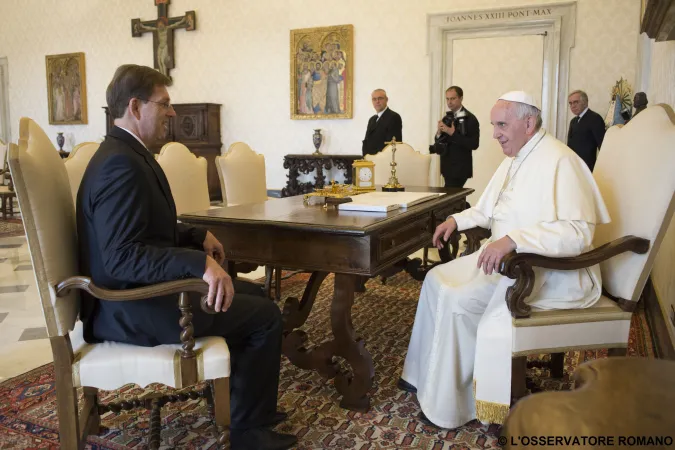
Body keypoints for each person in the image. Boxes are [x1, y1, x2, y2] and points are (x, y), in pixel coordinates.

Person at [77, 64, 297, 450]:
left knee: (258, 298)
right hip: (128, 308)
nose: (172, 113)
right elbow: (122, 257)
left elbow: (147, 228)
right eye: (164, 104)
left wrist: (196, 236)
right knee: (264, 317)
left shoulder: (127, 154)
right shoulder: (119, 164)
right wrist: (198, 264)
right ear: (135, 106)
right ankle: (248, 433)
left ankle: (246, 408)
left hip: (144, 294)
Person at [399, 91, 610, 430]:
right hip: (505, 260)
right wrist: (457, 221)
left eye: (501, 125)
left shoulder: (561, 160)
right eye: (493, 125)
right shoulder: (513, 157)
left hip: (547, 272)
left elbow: (578, 233)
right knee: (436, 279)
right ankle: (423, 376)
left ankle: (459, 402)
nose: (495, 133)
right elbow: (486, 209)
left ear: (528, 123)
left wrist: (514, 240)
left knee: (458, 298)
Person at [429, 86, 480, 188]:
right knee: (453, 200)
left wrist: (452, 133)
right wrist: (439, 133)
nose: (449, 102)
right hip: (446, 167)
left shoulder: (470, 118)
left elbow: (474, 144)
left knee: (449, 199)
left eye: (453, 98)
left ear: (461, 98)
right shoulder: (447, 117)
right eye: (447, 99)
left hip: (459, 169)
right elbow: (440, 141)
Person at [566, 89, 606, 171]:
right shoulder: (573, 121)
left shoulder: (595, 118)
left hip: (587, 168)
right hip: (573, 166)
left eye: (575, 102)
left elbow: (602, 146)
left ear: (585, 102)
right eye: (570, 103)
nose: (572, 106)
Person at [362, 89, 402, 156]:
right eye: (374, 99)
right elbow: (367, 141)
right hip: (370, 161)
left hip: (384, 161)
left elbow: (392, 145)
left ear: (386, 99)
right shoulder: (372, 119)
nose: (377, 101)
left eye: (380, 98)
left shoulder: (394, 117)